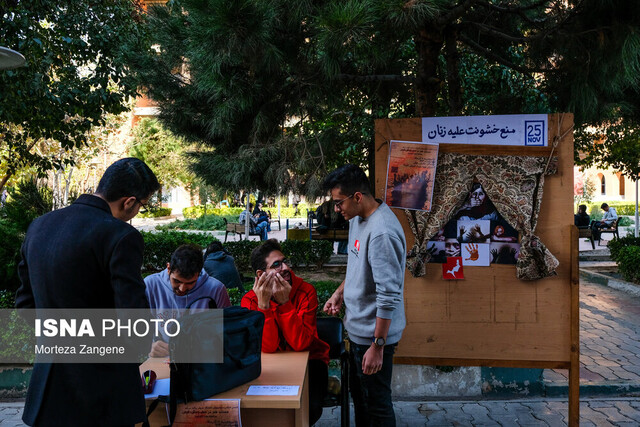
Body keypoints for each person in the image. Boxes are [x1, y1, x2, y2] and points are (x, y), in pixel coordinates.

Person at [15, 157, 160, 426]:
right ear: (129, 201)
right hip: (104, 396)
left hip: (48, 392)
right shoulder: (121, 236)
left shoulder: (39, 226)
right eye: (142, 205)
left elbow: (24, 306)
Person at [322, 164, 406, 427]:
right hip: (360, 333)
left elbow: (388, 295)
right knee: (362, 404)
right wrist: (339, 293)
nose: (337, 209)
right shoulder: (358, 218)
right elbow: (358, 266)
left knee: (377, 407)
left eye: (339, 202)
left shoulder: (382, 232)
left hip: (374, 339)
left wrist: (378, 346)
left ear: (357, 196)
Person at [241, 239, 329, 426]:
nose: (285, 267)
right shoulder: (249, 301)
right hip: (271, 365)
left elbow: (301, 344)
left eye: (284, 261)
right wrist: (263, 306)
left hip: (311, 362)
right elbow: (269, 347)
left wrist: (285, 304)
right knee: (256, 409)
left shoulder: (306, 291)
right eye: (277, 265)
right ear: (261, 274)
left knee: (309, 409)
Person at [145, 244, 231, 357]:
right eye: (176, 281)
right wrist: (149, 345)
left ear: (199, 273)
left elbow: (228, 331)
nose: (182, 288)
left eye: (190, 283)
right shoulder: (151, 285)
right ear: (168, 268)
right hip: (165, 356)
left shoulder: (216, 289)